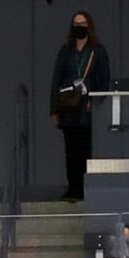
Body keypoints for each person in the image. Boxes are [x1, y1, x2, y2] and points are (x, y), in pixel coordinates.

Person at [49, 10, 109, 202]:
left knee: (86, 150)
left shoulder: (98, 50)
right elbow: (56, 79)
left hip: (87, 109)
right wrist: (54, 109)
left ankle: (85, 189)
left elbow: (104, 81)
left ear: (89, 26)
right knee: (71, 150)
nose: (79, 27)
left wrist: (95, 102)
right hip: (68, 107)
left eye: (82, 23)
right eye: (76, 24)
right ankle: (73, 189)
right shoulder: (66, 50)